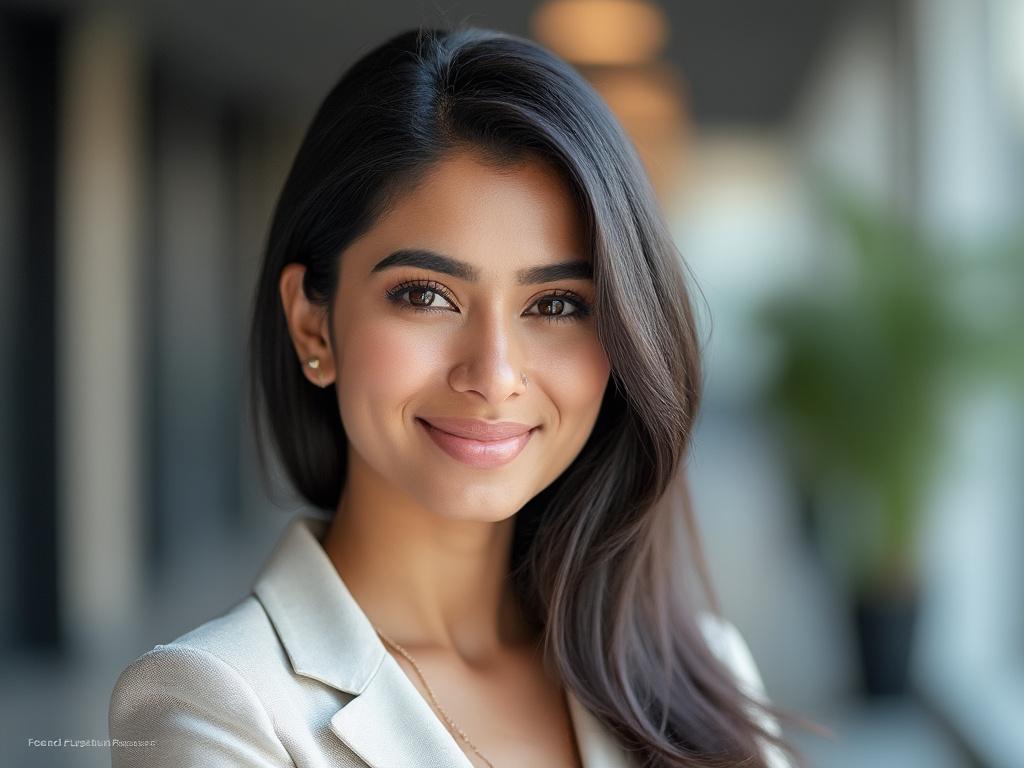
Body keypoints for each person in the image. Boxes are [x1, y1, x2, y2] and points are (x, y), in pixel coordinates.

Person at [109, 25, 807, 768]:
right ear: (314, 324)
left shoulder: (703, 669)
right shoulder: (216, 706)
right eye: (426, 295)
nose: (494, 372)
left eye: (558, 304)